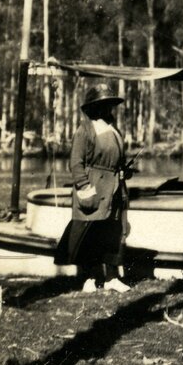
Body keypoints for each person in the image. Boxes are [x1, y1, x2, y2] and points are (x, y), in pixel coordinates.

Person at [54, 83, 131, 292]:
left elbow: (117, 161)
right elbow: (76, 163)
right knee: (89, 233)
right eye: (102, 105)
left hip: (114, 189)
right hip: (94, 187)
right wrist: (85, 188)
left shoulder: (114, 130)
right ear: (93, 107)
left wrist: (124, 172)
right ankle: (89, 277)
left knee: (113, 233)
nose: (107, 109)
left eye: (109, 105)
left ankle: (112, 278)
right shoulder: (84, 130)